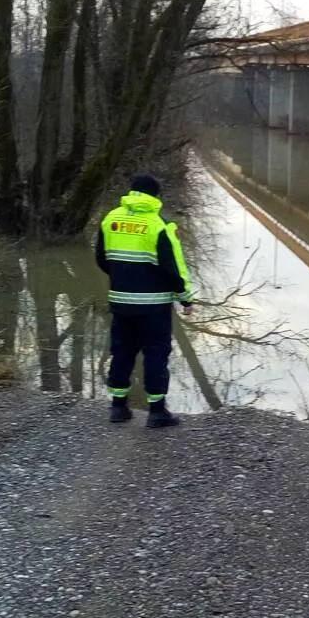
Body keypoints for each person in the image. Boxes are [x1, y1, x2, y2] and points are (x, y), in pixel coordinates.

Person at [95, 173, 194, 427]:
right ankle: (157, 412)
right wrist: (185, 298)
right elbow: (173, 268)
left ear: (132, 192)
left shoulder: (111, 219)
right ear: (156, 196)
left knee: (121, 351)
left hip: (121, 301)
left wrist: (122, 278)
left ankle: (118, 407)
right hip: (154, 306)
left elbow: (102, 259)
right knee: (156, 353)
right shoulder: (159, 225)